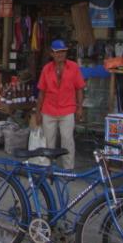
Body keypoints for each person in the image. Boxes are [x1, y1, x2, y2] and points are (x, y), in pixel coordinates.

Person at [36, 39, 86, 170]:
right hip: (48, 109)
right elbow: (41, 92)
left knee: (67, 140)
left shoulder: (74, 67)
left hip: (68, 108)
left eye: (63, 52)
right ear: (52, 53)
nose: (61, 55)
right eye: (58, 52)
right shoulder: (46, 69)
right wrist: (38, 112)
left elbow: (79, 88)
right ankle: (46, 169)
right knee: (48, 142)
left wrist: (80, 108)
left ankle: (68, 169)